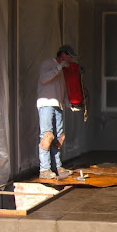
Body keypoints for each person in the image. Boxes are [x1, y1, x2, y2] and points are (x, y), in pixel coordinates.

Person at [36, 45, 77, 179]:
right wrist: (58, 68)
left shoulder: (63, 71)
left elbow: (62, 91)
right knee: (47, 135)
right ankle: (44, 169)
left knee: (59, 137)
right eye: (69, 56)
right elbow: (44, 79)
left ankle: (57, 166)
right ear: (63, 54)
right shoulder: (47, 64)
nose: (70, 59)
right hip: (46, 103)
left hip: (58, 105)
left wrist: (69, 105)